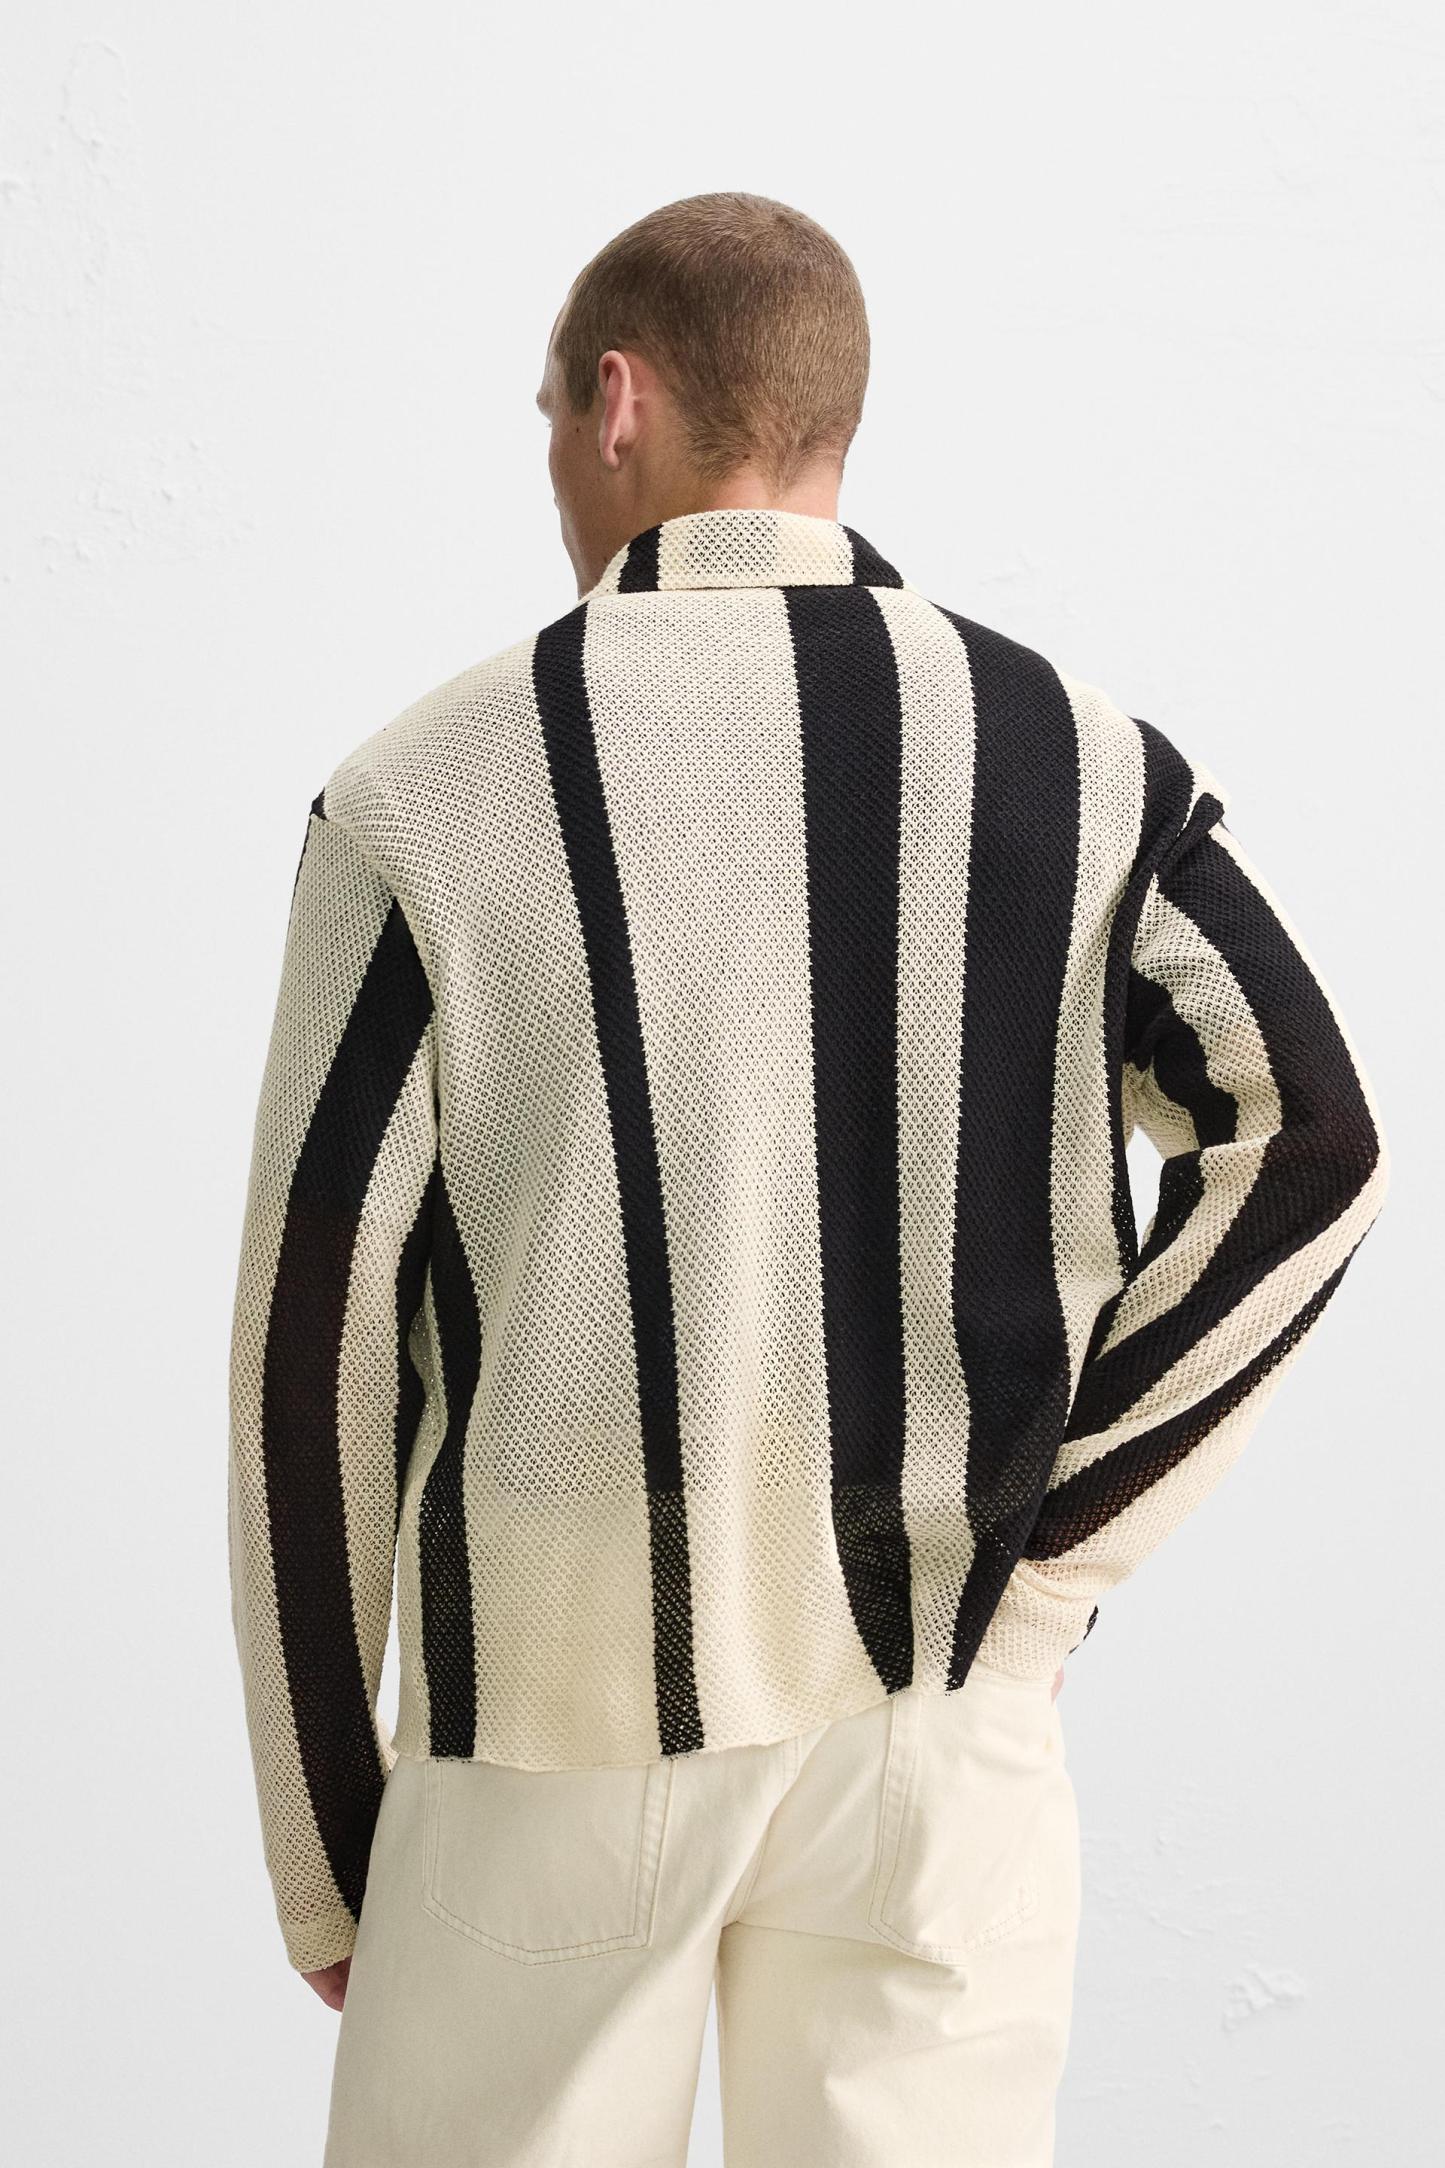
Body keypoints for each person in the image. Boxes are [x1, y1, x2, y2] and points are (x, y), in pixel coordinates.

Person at [227, 192, 1390, 2167]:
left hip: (549, 1721)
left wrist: (331, 1836)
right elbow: (1315, 1144)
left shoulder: (425, 793)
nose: (552, 464)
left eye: (548, 417)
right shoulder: (1080, 761)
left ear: (617, 401)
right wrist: (1045, 1565)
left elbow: (309, 1342)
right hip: (942, 1721)